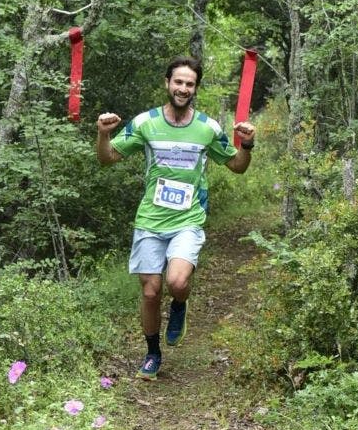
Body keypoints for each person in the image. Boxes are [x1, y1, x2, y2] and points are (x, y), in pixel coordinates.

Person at [95, 56, 256, 380]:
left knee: (177, 282)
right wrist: (102, 133)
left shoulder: (207, 128)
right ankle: (153, 352)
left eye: (189, 84)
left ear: (196, 88)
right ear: (167, 83)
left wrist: (248, 144)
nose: (183, 88)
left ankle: (180, 304)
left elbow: (237, 166)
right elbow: (108, 158)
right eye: (178, 82)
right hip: (150, 222)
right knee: (151, 292)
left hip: (187, 220)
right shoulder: (145, 123)